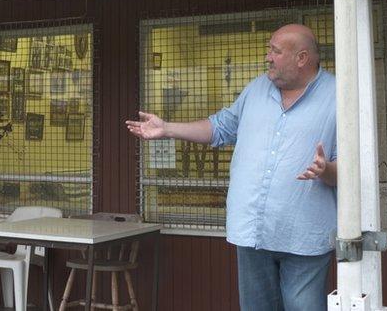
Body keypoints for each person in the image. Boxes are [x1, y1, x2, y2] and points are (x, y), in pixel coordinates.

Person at [126, 24, 336, 311]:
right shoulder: (256, 88)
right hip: (253, 231)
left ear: (302, 58)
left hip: (302, 235)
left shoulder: (338, 96)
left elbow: (353, 169)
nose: (268, 57)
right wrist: (167, 129)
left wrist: (327, 171)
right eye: (268, 49)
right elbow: (220, 128)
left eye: (275, 51)